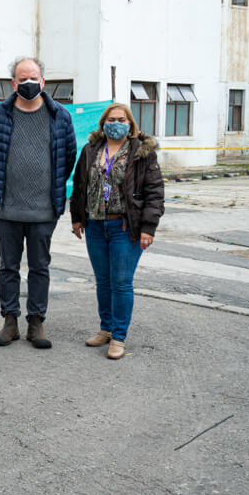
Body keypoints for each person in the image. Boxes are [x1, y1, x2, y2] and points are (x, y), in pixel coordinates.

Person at [0, 57, 76, 349]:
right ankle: (10, 322)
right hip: (6, 208)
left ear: (43, 81)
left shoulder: (60, 115)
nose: (28, 83)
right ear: (13, 83)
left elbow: (68, 156)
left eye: (33, 77)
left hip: (44, 209)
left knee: (40, 267)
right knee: (8, 266)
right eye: (22, 79)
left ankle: (36, 323)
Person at [70, 103, 164, 360]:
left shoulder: (142, 153)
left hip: (125, 226)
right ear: (103, 123)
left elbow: (154, 193)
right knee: (103, 281)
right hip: (95, 225)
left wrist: (148, 228)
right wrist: (77, 218)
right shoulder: (91, 150)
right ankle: (106, 328)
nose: (116, 122)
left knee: (121, 283)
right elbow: (79, 185)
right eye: (111, 119)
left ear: (130, 124)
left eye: (121, 119)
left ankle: (119, 336)